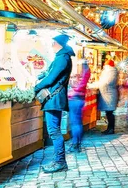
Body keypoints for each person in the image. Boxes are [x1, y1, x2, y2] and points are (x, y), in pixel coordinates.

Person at [34, 34, 74, 173]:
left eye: (53, 43)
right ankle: (59, 161)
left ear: (59, 44)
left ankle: (60, 162)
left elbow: (51, 78)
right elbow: (50, 74)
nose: (51, 46)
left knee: (54, 131)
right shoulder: (62, 57)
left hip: (54, 98)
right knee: (54, 131)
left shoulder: (62, 58)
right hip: (54, 98)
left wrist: (37, 87)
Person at [67, 59, 91, 153]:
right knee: (77, 123)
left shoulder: (85, 73)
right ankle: (77, 143)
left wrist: (73, 92)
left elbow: (81, 86)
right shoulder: (86, 72)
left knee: (75, 123)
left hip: (76, 99)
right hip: (79, 99)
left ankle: (75, 144)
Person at [96, 56, 119, 134]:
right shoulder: (109, 72)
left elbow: (107, 82)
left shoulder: (111, 72)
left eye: (105, 65)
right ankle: (109, 128)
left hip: (109, 95)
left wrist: (99, 84)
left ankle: (111, 129)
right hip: (108, 94)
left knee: (109, 113)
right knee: (108, 112)